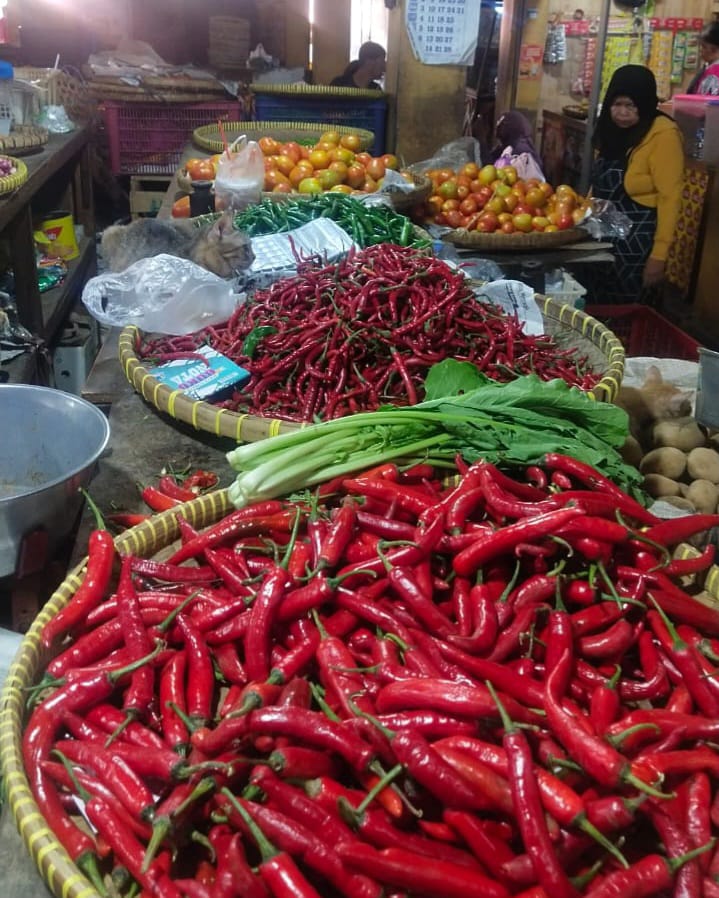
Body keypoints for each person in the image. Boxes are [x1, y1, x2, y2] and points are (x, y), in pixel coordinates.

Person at [585, 64, 684, 305]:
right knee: (595, 301)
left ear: (645, 103)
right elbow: (597, 185)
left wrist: (659, 256)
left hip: (637, 246)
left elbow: (670, 197)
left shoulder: (663, 135)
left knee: (627, 306)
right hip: (600, 238)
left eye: (630, 105)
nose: (622, 113)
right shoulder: (610, 131)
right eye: (616, 104)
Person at [687, 21, 719, 96]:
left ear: (714, 48)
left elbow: (706, 99)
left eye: (703, 46)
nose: (700, 50)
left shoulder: (714, 71)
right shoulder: (707, 67)